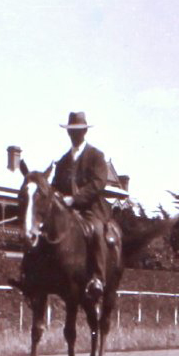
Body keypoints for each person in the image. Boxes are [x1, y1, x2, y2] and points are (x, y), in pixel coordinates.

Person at [52, 111, 115, 300]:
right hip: (67, 210)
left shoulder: (96, 156)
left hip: (90, 208)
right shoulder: (62, 161)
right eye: (71, 131)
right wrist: (55, 195)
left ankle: (98, 277)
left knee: (96, 230)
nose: (74, 135)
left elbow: (98, 183)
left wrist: (75, 198)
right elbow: (55, 185)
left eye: (78, 131)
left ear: (85, 132)